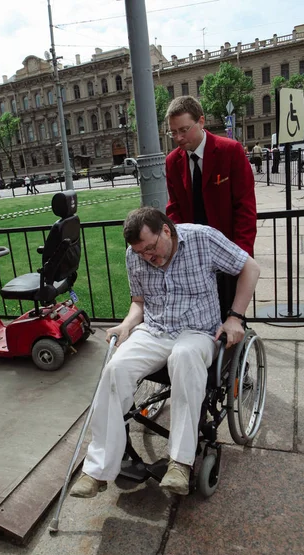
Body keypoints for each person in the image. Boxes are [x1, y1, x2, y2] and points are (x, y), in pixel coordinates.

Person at [70, 207, 260, 498]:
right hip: (155, 330)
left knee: (183, 358)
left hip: (197, 332)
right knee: (115, 369)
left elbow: (250, 268)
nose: (147, 257)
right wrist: (126, 325)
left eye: (151, 248)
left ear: (167, 231)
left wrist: (235, 316)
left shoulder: (202, 239)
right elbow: (139, 302)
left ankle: (180, 464)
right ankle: (97, 470)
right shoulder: (134, 255)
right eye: (140, 252)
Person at [165, 96, 257, 256]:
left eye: (183, 130)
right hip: (192, 255)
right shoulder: (172, 161)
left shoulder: (230, 151)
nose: (178, 138)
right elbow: (174, 208)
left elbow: (245, 208)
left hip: (231, 250)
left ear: (201, 121)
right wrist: (181, 249)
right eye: (173, 132)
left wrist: (241, 256)